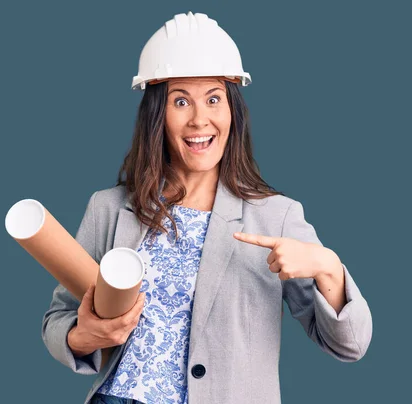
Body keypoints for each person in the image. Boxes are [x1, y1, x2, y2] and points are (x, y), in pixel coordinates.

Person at [41, 11, 373, 404]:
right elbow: (58, 320)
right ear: (156, 116)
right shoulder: (109, 209)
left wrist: (328, 266)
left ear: (232, 110)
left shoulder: (275, 216)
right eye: (181, 101)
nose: (200, 119)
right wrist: (84, 337)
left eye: (214, 99)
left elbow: (349, 345)